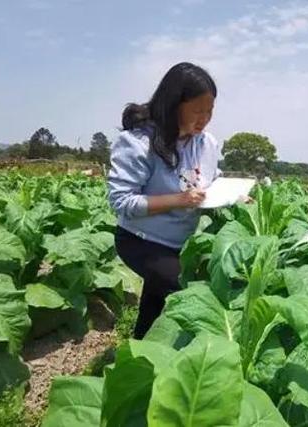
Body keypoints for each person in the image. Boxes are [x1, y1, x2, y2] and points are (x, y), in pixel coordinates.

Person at [107, 62, 221, 339]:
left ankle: (141, 356)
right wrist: (179, 199)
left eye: (210, 111)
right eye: (198, 111)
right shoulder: (137, 143)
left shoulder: (206, 144)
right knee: (189, 295)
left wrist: (236, 195)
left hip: (180, 245)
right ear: (174, 105)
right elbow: (121, 202)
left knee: (155, 305)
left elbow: (214, 178)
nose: (204, 118)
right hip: (141, 241)